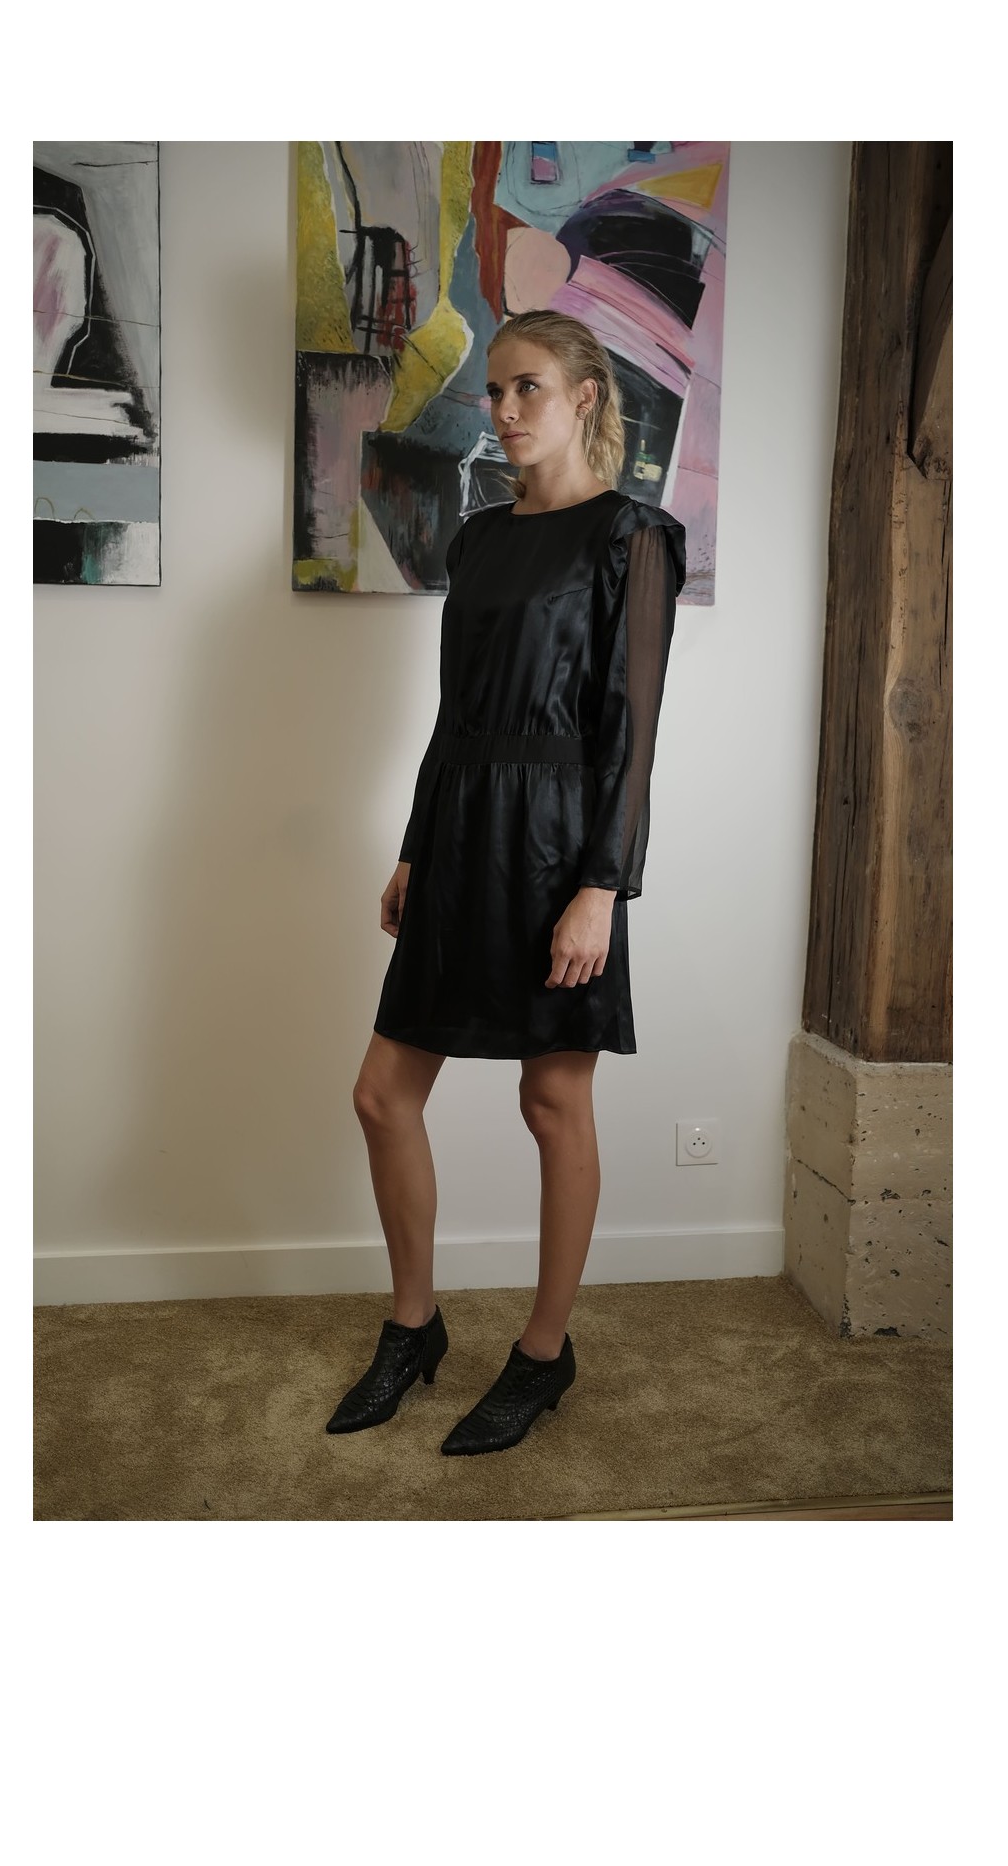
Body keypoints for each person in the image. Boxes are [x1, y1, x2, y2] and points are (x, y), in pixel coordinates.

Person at [328, 309, 688, 1456]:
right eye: (494, 391)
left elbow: (632, 734)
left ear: (585, 395)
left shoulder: (632, 535)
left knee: (552, 1103)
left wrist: (602, 889)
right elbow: (455, 714)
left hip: (558, 849)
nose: (505, 409)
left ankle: (543, 1351)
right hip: (460, 834)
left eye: (527, 386)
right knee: (382, 1095)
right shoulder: (480, 540)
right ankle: (414, 1327)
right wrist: (414, 848)